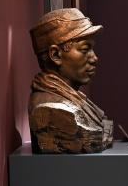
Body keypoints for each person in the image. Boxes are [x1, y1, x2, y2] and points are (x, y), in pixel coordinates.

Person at [28, 8, 113, 154]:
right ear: (56, 55)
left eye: (92, 49)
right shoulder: (50, 110)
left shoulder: (74, 98)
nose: (94, 58)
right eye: (85, 49)